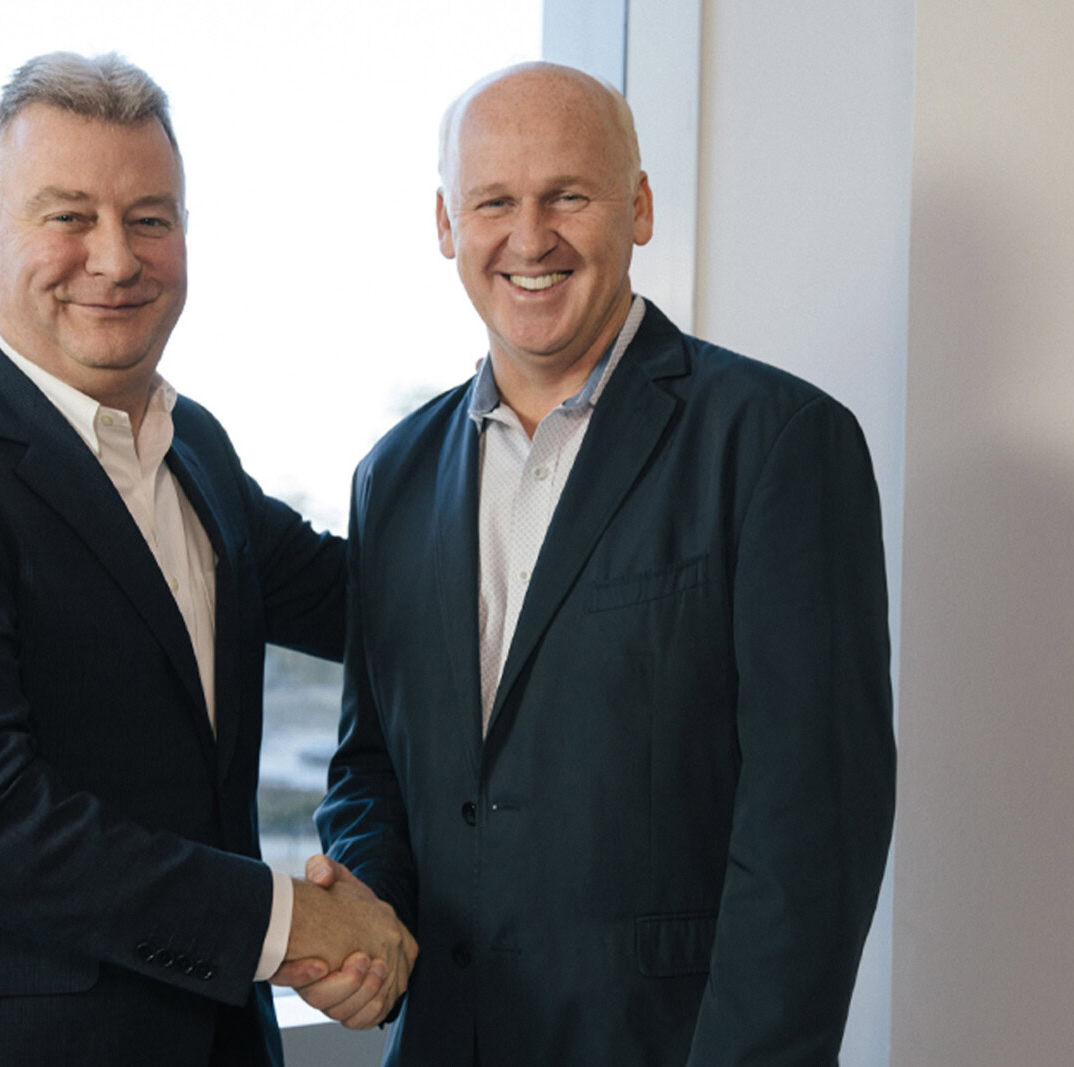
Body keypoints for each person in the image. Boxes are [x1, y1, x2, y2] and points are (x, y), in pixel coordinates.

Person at [0, 51, 414, 1066]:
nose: (116, 259)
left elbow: (375, 606)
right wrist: (287, 920)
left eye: (150, 218)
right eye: (68, 216)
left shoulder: (191, 443)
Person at [310, 62, 896, 1063]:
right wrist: (370, 911)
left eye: (567, 196)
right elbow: (372, 764)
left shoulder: (777, 443)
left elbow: (814, 830)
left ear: (639, 208)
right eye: (493, 201)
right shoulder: (390, 478)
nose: (530, 237)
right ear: (446, 224)